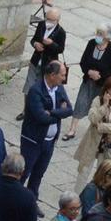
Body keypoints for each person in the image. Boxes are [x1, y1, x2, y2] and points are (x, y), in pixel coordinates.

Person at [21, 61, 75, 193]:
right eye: (62, 75)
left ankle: (32, 199)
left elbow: (69, 110)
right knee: (24, 172)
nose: (64, 78)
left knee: (38, 173)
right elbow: (42, 118)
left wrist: (51, 112)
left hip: (50, 141)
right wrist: (58, 113)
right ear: (52, 75)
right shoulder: (36, 91)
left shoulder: (59, 88)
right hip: (33, 140)